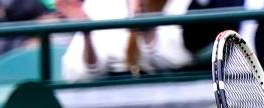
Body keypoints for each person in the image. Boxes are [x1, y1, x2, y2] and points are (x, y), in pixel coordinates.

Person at [57, 0, 192, 81]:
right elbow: (80, 74)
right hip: (114, 88)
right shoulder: (100, 4)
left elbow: (177, 60)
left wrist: (146, 27)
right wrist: (86, 33)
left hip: (170, 84)